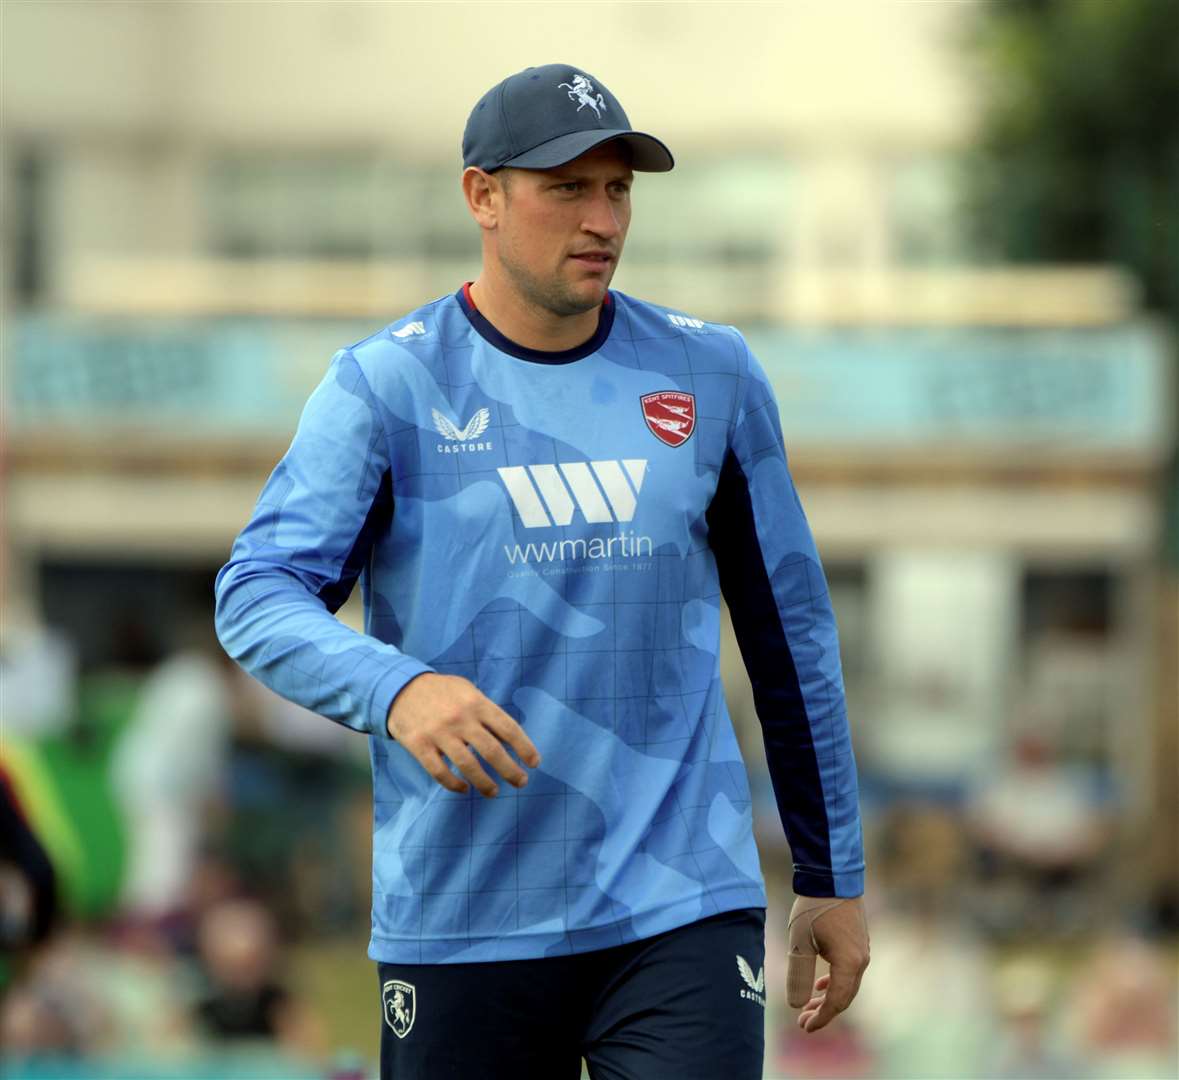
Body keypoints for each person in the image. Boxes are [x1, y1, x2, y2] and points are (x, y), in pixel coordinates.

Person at [214, 63, 869, 1080]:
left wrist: (832, 876)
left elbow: (792, 631)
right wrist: (399, 690)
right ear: (482, 195)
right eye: (566, 188)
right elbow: (255, 595)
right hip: (460, 914)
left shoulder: (712, 376)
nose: (600, 218)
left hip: (679, 902)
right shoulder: (385, 386)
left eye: (618, 190)